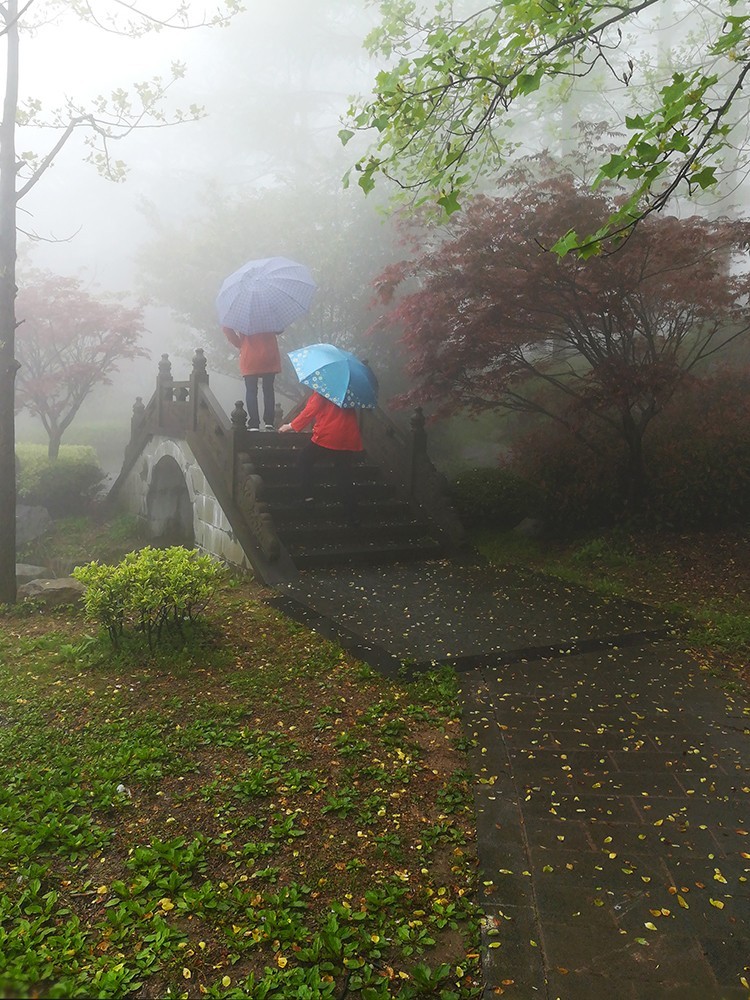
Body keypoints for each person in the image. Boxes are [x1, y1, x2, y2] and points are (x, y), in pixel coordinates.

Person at [279, 391, 363, 523]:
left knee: (304, 460)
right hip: (347, 436)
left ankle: (308, 498)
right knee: (344, 474)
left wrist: (291, 426)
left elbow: (310, 410)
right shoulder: (346, 391)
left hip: (328, 434)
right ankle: (352, 513)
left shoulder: (324, 390)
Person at [222, 326, 281, 431]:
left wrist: (240, 344)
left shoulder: (242, 317)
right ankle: (269, 422)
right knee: (268, 389)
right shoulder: (269, 316)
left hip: (249, 355)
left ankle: (254, 423)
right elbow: (279, 329)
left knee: (251, 390)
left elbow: (226, 328)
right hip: (269, 354)